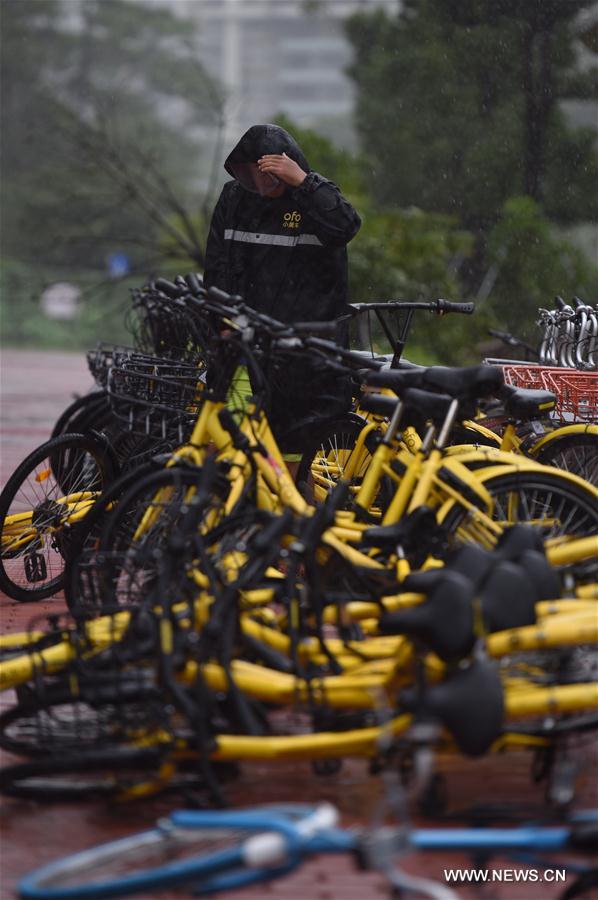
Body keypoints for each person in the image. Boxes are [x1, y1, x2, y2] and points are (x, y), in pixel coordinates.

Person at [204, 123, 361, 456]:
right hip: (246, 348)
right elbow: (216, 266)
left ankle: (294, 503)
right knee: (230, 443)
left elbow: (346, 226)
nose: (260, 185)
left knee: (289, 457)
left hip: (298, 356)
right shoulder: (234, 199)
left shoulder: (315, 197)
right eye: (251, 175)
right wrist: (220, 323)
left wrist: (302, 181)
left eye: (270, 176)